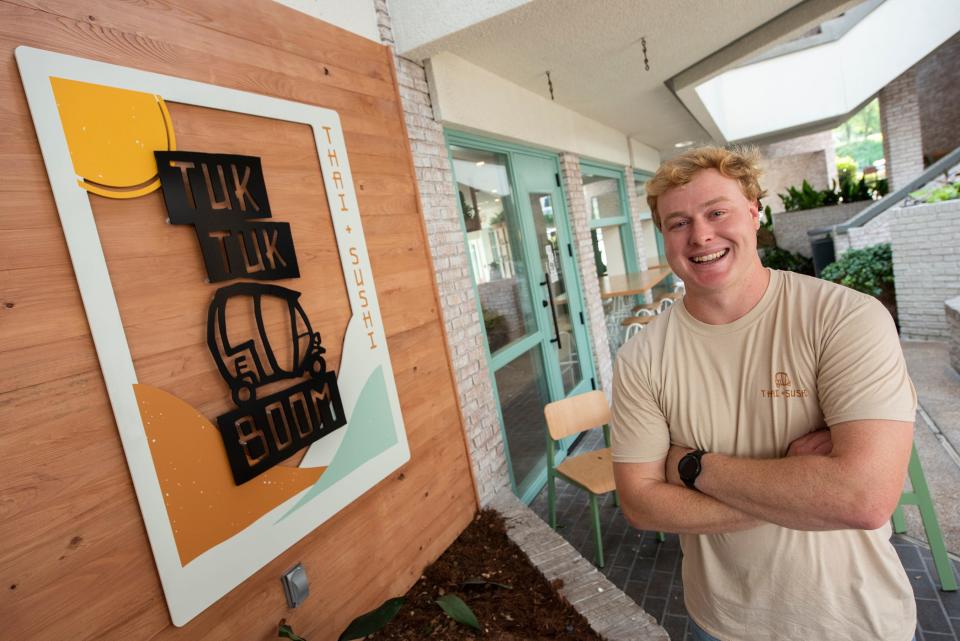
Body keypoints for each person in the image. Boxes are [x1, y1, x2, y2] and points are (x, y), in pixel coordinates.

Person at [611, 146, 917, 641]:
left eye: (717, 211)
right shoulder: (641, 359)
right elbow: (642, 505)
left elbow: (863, 497)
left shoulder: (843, 318)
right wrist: (803, 490)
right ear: (663, 236)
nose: (701, 234)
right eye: (678, 222)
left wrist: (690, 467)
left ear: (755, 212)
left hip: (854, 620)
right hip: (721, 623)